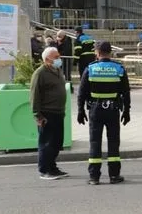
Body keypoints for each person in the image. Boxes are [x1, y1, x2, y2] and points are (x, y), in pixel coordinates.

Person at [77, 41, 131, 186]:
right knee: (113, 142)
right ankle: (114, 175)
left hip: (95, 109)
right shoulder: (119, 69)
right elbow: (126, 92)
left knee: (95, 142)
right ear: (110, 52)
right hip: (113, 109)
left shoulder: (91, 69)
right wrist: (127, 111)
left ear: (97, 52)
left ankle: (94, 177)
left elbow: (81, 93)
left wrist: (80, 110)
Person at [30, 46, 69, 180]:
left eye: (59, 56)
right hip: (47, 113)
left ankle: (52, 167)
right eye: (56, 57)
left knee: (56, 143)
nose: (59, 59)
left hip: (58, 112)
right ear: (47, 59)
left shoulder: (58, 70)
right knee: (46, 143)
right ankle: (44, 170)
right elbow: (34, 95)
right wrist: (38, 115)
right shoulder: (40, 73)